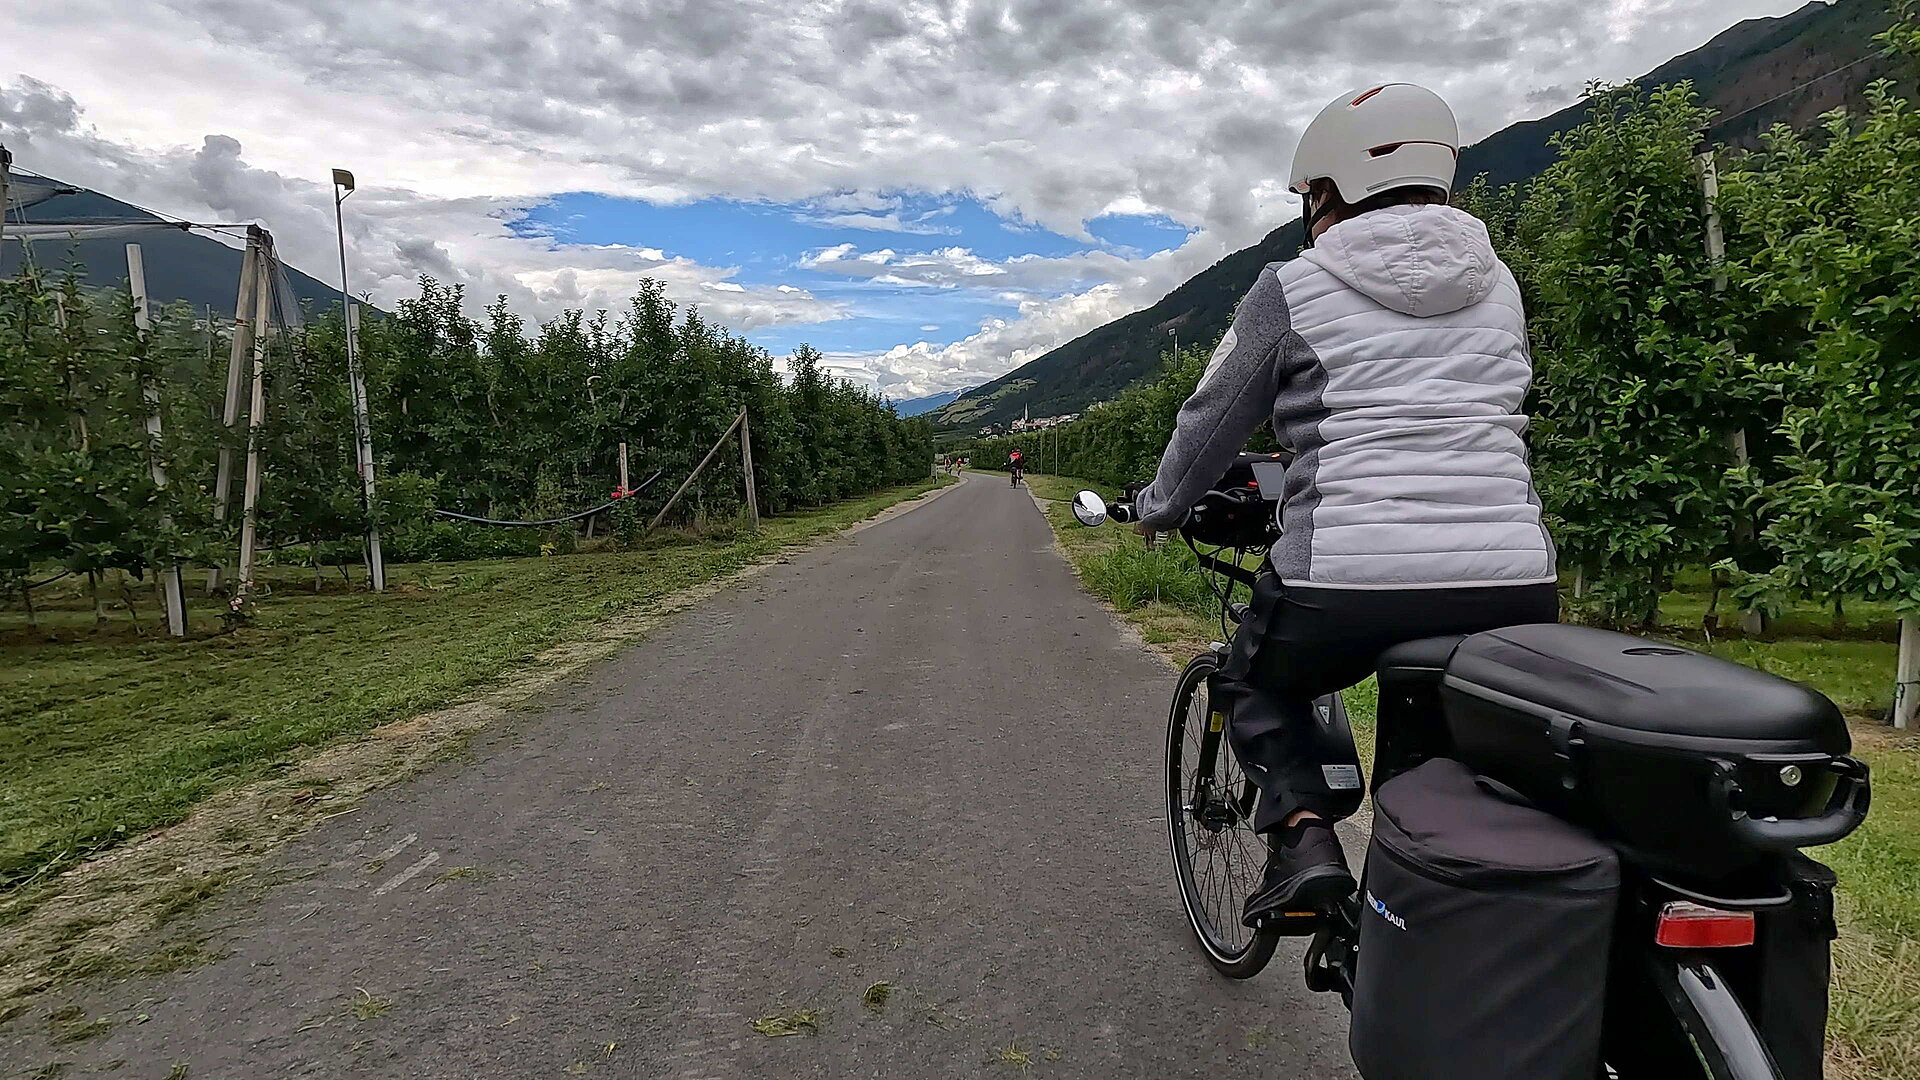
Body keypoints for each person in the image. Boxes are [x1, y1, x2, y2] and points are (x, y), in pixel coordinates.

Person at [1132, 83, 1558, 928]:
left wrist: (1161, 506)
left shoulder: (1294, 283)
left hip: (1347, 574)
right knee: (1456, 745)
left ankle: (1303, 842)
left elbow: (1211, 420)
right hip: (1514, 579)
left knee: (1252, 680)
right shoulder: (1501, 283)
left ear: (1326, 190)